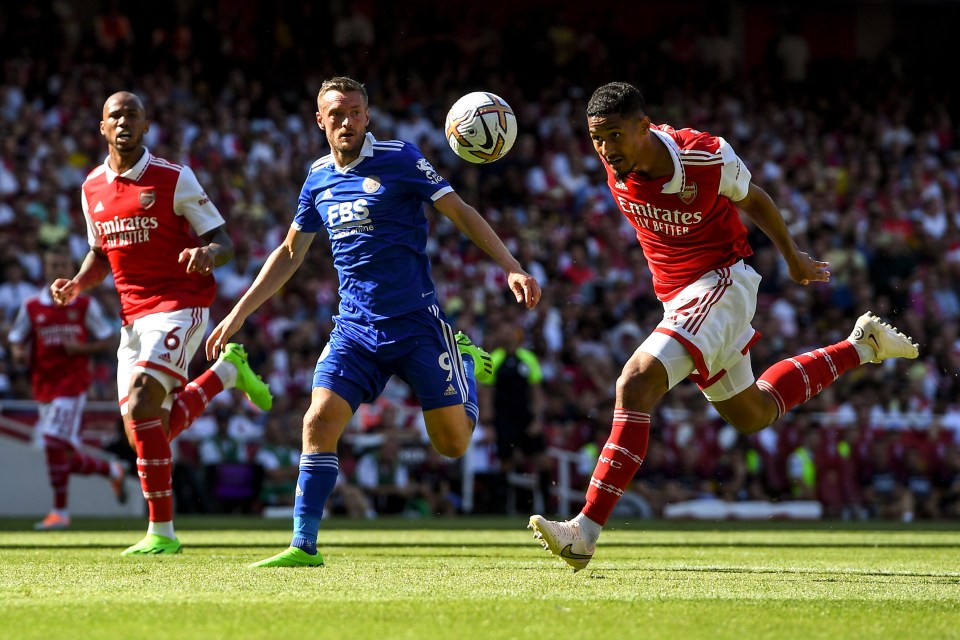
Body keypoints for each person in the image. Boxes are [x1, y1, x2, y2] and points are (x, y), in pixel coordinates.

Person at [528, 81, 920, 571]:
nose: (605, 150)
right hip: (680, 299)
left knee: (635, 381)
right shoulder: (619, 163)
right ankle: (862, 347)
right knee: (752, 413)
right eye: (595, 138)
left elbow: (752, 196)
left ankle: (583, 530)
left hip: (722, 282)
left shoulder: (703, 157)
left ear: (644, 127)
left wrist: (792, 256)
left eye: (614, 135)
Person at [205, 76, 541, 568]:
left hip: (416, 325)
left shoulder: (401, 158)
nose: (347, 121)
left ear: (368, 116)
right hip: (354, 330)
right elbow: (290, 252)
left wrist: (511, 265)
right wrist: (237, 314)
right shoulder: (317, 177)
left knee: (451, 445)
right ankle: (304, 544)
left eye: (356, 112)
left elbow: (459, 212)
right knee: (317, 421)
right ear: (320, 120)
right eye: (336, 113)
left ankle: (463, 366)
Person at [50, 91, 273, 555]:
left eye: (132, 114)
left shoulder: (174, 178)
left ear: (146, 125)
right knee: (144, 430)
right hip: (131, 319)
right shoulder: (91, 186)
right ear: (102, 127)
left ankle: (162, 534)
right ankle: (224, 375)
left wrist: (206, 254)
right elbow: (99, 253)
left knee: (141, 402)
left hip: (180, 303)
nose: (124, 121)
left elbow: (224, 239)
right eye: (115, 115)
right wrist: (76, 284)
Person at [8, 245, 122, 530]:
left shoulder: (84, 305)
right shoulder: (31, 306)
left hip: (73, 385)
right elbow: (16, 338)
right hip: (44, 386)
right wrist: (18, 352)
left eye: (62, 265)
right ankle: (111, 469)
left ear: (69, 270)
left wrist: (82, 348)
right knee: (62, 454)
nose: (57, 270)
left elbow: (108, 339)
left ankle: (60, 512)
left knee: (50, 441)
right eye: (52, 265)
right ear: (45, 269)